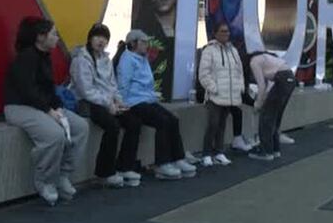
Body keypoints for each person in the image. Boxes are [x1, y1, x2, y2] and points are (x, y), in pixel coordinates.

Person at [3, 17, 90, 206]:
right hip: (19, 107)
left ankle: (63, 175)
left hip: (43, 107)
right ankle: (44, 181)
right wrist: (49, 111)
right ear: (40, 37)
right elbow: (27, 91)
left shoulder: (45, 58)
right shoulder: (26, 58)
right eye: (53, 33)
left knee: (81, 127)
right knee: (54, 135)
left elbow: (49, 89)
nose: (57, 38)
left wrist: (57, 106)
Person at [115, 29, 197, 179]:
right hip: (134, 102)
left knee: (173, 119)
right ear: (133, 43)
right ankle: (162, 163)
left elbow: (147, 84)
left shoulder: (143, 59)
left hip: (147, 100)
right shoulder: (127, 60)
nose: (147, 45)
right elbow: (123, 84)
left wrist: (153, 96)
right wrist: (123, 104)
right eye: (144, 42)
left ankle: (177, 158)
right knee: (162, 121)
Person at [70, 23, 142, 189]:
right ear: (90, 38)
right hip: (86, 102)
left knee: (134, 122)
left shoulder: (106, 60)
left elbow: (112, 84)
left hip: (106, 101)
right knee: (112, 126)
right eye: (97, 37)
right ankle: (105, 173)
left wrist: (118, 101)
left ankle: (125, 167)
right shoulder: (81, 60)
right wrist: (108, 103)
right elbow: (86, 90)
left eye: (104, 38)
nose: (101, 41)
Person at [197, 23, 244, 167]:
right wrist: (213, 88)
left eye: (227, 31)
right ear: (215, 33)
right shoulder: (209, 51)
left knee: (222, 125)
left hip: (230, 95)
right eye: (222, 31)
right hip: (215, 96)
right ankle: (206, 154)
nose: (226, 34)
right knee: (212, 124)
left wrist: (240, 87)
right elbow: (203, 73)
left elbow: (239, 71)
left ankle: (219, 152)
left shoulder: (233, 51)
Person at [247, 51, 297, 161]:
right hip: (290, 78)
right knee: (276, 116)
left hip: (282, 79)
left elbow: (261, 85)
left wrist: (258, 104)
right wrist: (264, 100)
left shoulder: (254, 62)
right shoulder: (267, 58)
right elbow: (268, 88)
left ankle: (266, 152)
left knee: (266, 118)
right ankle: (275, 149)